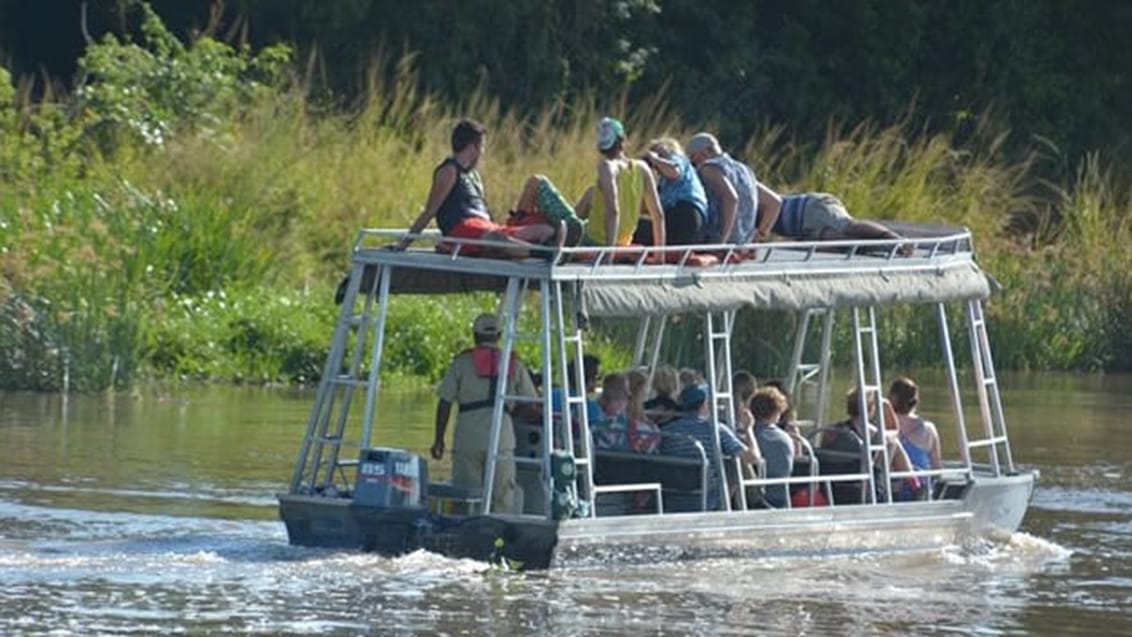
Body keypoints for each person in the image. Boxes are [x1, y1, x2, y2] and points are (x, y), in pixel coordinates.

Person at [397, 118, 561, 257]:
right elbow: (430, 211)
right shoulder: (449, 171)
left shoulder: (474, 175)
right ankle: (543, 253)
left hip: (485, 227)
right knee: (495, 239)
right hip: (463, 231)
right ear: (473, 146)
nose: (483, 152)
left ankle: (557, 249)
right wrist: (403, 244)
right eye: (482, 147)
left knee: (544, 230)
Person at [431, 313, 539, 514]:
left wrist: (439, 440)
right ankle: (498, 535)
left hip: (467, 439)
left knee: (465, 495)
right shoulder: (513, 362)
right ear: (499, 335)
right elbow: (531, 402)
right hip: (502, 438)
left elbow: (444, 403)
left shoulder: (461, 363)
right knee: (502, 497)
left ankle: (464, 532)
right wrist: (510, 415)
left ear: (474, 335)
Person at [660, 383, 759, 510]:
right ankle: (746, 506)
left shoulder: (667, 431)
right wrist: (749, 429)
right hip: (706, 502)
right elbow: (753, 457)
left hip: (671, 502)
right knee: (733, 465)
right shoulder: (715, 429)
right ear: (705, 403)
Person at [574, 117, 666, 247]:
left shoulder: (607, 167)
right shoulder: (643, 168)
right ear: (623, 140)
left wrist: (608, 253)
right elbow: (657, 215)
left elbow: (613, 211)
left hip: (596, 240)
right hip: (624, 241)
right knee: (591, 192)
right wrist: (659, 256)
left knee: (538, 182)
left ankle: (553, 237)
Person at [818, 386, 921, 502]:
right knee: (893, 443)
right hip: (863, 492)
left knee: (888, 444)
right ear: (871, 409)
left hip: (831, 490)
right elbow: (895, 432)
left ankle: (912, 483)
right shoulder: (872, 432)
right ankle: (914, 484)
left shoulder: (830, 431)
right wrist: (887, 406)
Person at [685, 132, 781, 246]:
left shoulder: (709, 168)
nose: (694, 164)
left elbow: (731, 198)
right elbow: (774, 202)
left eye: (693, 159)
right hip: (743, 243)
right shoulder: (744, 170)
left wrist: (722, 241)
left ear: (704, 152)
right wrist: (759, 236)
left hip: (717, 240)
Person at [771, 192, 911, 252]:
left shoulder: (752, 194)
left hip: (810, 208)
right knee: (842, 243)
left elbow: (774, 203)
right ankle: (886, 248)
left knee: (847, 226)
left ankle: (896, 239)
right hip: (802, 228)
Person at [634, 137, 708, 245]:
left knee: (637, 229)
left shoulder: (677, 159)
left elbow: (675, 171)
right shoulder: (664, 183)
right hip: (685, 224)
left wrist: (654, 159)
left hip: (685, 217)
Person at [888, 376, 943, 486]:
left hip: (893, 488)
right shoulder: (928, 429)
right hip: (922, 487)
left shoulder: (883, 426)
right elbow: (937, 469)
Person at [748, 386, 795, 508]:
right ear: (776, 412)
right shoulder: (786, 438)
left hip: (756, 500)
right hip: (782, 497)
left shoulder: (750, 437)